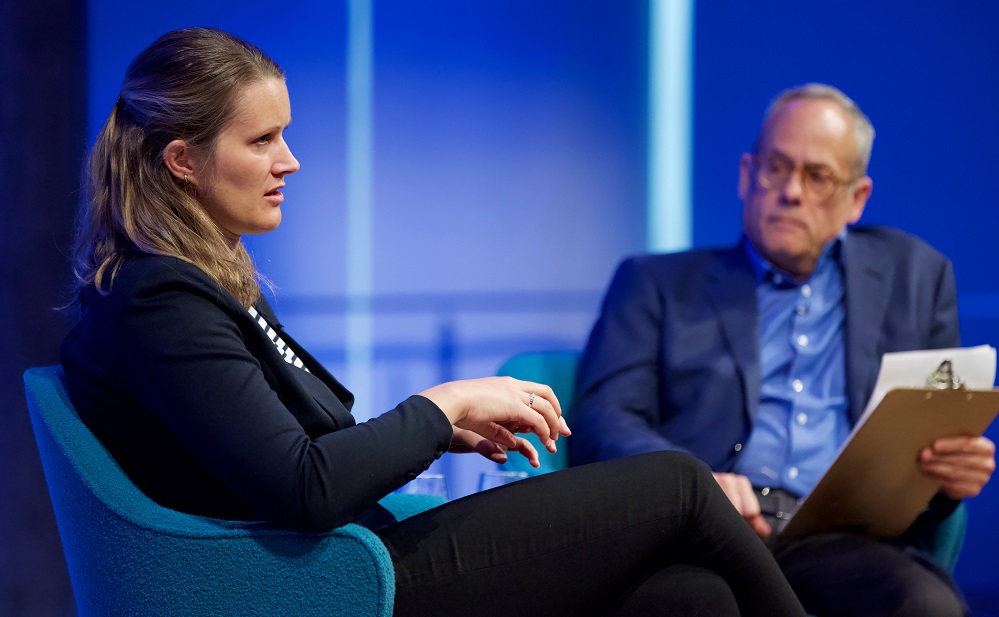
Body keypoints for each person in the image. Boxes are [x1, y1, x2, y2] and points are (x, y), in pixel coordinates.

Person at [59, 28, 806, 617]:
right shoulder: (161, 303)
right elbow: (307, 486)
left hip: (343, 555)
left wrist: (436, 429)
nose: (290, 161)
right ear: (183, 160)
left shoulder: (196, 282)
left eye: (284, 134)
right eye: (261, 141)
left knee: (688, 598)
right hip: (329, 583)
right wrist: (440, 406)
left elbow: (298, 453)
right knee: (677, 483)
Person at [569, 83, 996, 616]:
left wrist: (950, 475)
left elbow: (928, 448)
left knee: (926, 605)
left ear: (856, 199)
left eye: (818, 177)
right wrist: (693, 482)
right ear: (747, 175)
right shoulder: (656, 283)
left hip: (839, 540)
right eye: (776, 167)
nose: (791, 191)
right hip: (706, 529)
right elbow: (603, 420)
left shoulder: (917, 277)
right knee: (695, 601)